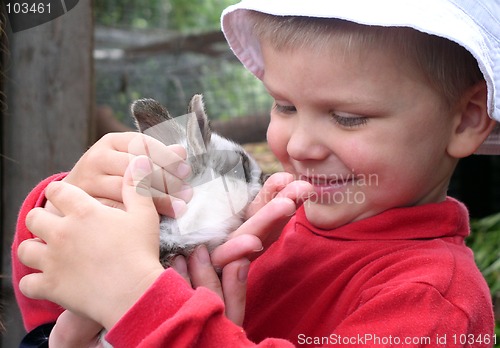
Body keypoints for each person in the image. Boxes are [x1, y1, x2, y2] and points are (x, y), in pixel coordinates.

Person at [13, 0, 500, 346]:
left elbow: (137, 307)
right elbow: (48, 308)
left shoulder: (431, 302)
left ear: (465, 120)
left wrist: (142, 305)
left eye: (348, 117)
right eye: (284, 105)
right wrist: (72, 204)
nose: (299, 145)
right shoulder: (269, 220)